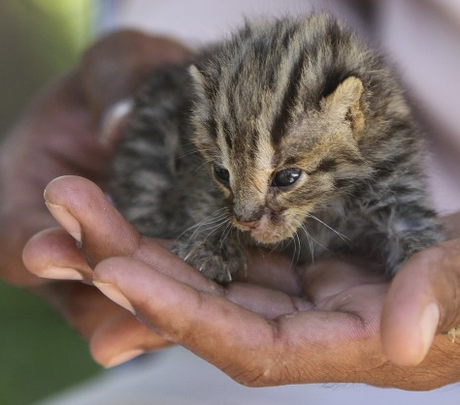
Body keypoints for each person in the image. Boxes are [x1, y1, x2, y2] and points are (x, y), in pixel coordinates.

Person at [1, 0, 460, 401]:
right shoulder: (217, 127)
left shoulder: (376, 135)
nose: (242, 214)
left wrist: (429, 277)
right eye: (224, 175)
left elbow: (408, 222)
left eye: (286, 178)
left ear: (352, 116)